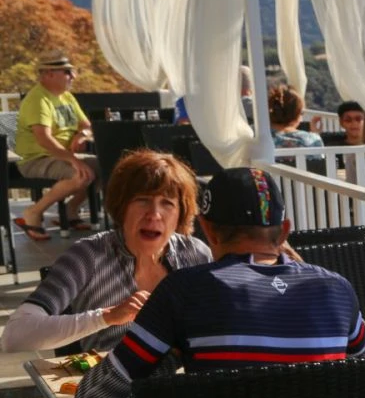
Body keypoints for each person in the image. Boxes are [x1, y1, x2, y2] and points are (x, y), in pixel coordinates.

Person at [72, 167, 365, 398]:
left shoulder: (184, 291)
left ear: (208, 230)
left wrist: (169, 356)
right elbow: (361, 355)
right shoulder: (337, 288)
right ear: (284, 231)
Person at [1, 150, 213, 355]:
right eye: (143, 200)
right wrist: (107, 317)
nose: (154, 214)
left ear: (181, 214)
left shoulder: (196, 255)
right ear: (121, 206)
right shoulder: (89, 256)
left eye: (167, 203)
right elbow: (15, 336)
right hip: (109, 386)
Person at [11, 51, 98, 241]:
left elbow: (86, 125)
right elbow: (44, 140)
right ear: (49, 73)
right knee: (80, 173)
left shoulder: (66, 97)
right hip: (36, 159)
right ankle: (33, 213)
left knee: (109, 169)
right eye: (67, 72)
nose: (73, 76)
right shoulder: (38, 100)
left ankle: (70, 210)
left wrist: (82, 135)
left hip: (62, 156)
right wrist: (74, 160)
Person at [267, 85, 323, 149]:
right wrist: (315, 134)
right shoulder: (312, 141)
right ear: (297, 114)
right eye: (302, 113)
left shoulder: (261, 140)